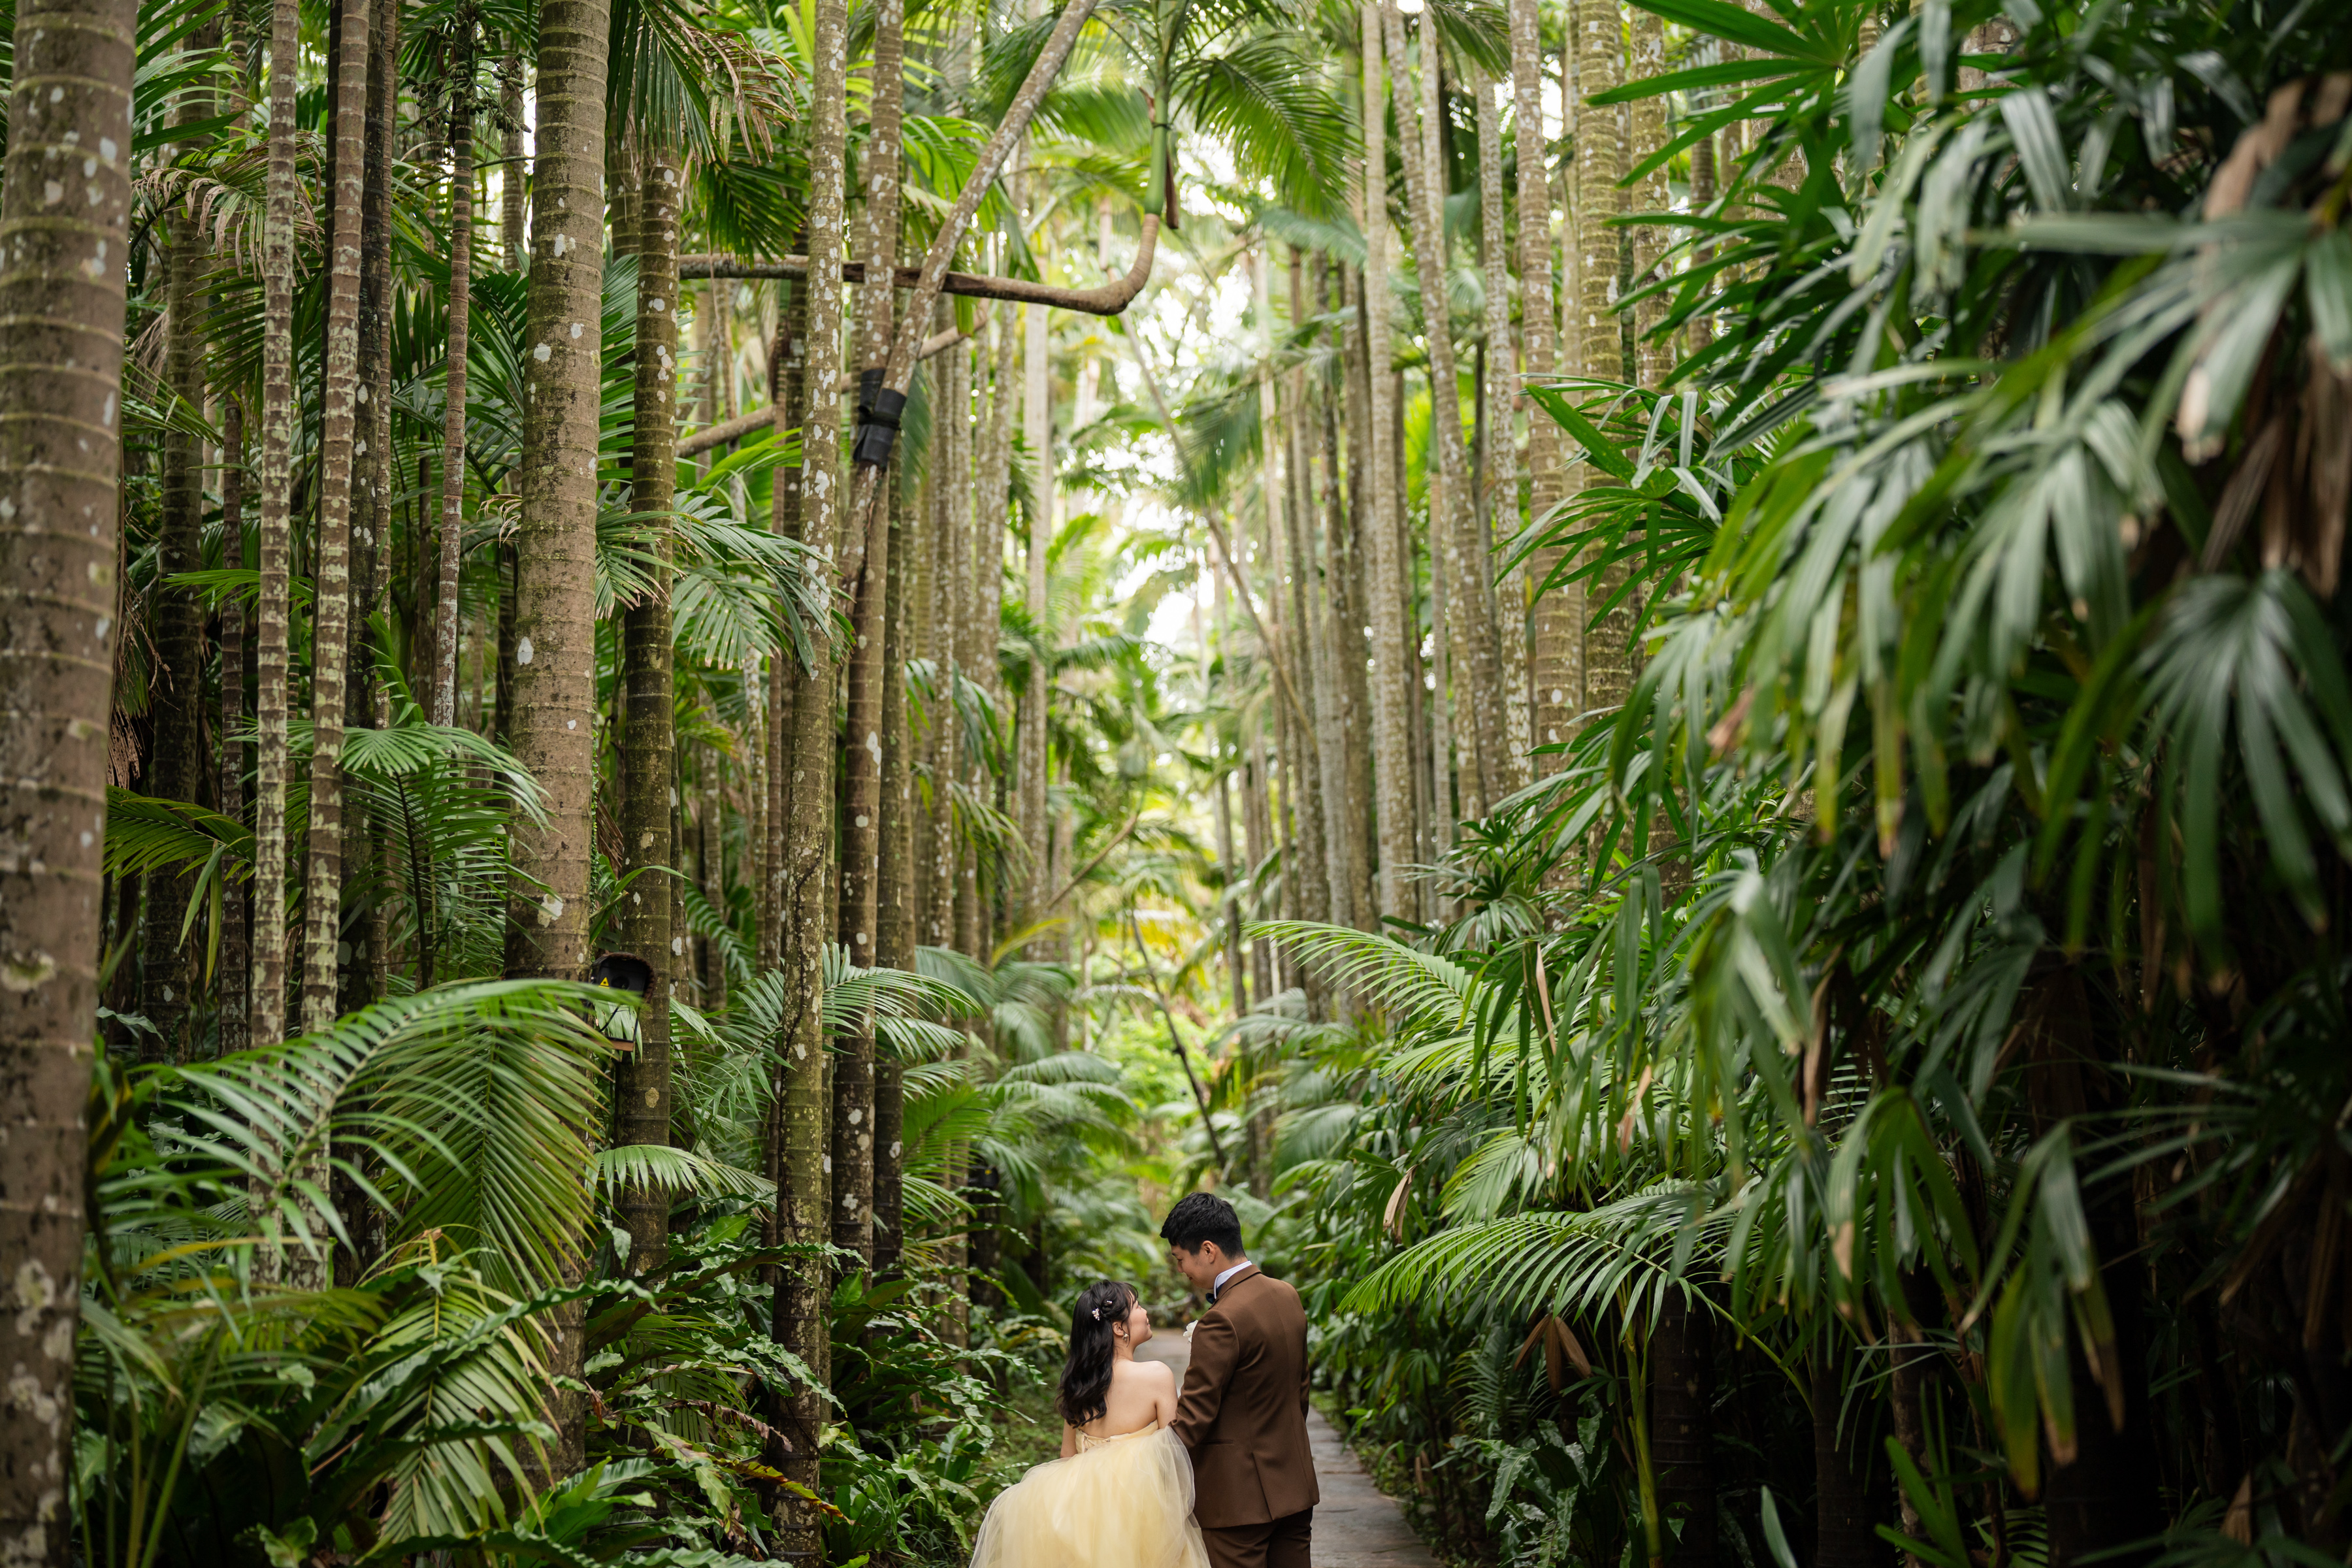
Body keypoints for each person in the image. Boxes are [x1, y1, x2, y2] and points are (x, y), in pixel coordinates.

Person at [968, 1279, 1211, 1568]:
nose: (1145, 1311)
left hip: (1079, 1513)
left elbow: (1067, 1455)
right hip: (1140, 1516)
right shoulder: (1156, 1375)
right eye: (1137, 1305)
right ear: (1119, 1328)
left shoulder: (1079, 1385)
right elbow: (1176, 1454)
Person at [1161, 1193, 1318, 1568]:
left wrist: (1146, 1463)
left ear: (1209, 1250)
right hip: (1294, 1487)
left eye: (1181, 1259)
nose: (1182, 1269)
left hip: (1237, 1505)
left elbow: (1194, 1420)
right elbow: (1300, 1393)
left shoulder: (1222, 1319)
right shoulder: (1287, 1295)